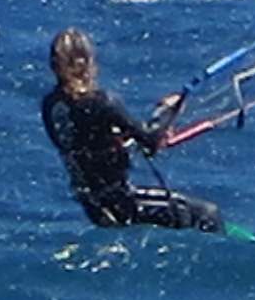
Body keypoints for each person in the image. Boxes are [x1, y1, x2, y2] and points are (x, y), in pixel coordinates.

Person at [40, 29, 224, 235]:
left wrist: (121, 139)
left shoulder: (51, 105)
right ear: (85, 63)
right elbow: (151, 141)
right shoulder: (103, 101)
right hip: (122, 203)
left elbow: (84, 141)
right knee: (209, 213)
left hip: (94, 206)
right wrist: (174, 108)